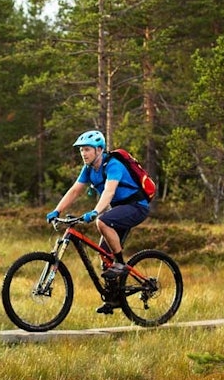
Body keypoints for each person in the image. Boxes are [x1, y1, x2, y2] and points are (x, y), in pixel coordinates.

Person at [46, 129, 150, 314]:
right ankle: (113, 300)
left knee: (102, 222)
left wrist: (95, 212)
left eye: (87, 149)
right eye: (81, 150)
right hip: (119, 208)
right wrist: (56, 210)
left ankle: (120, 263)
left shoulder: (113, 165)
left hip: (136, 206)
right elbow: (74, 191)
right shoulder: (88, 169)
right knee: (104, 256)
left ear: (99, 150)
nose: (83, 154)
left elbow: (109, 192)